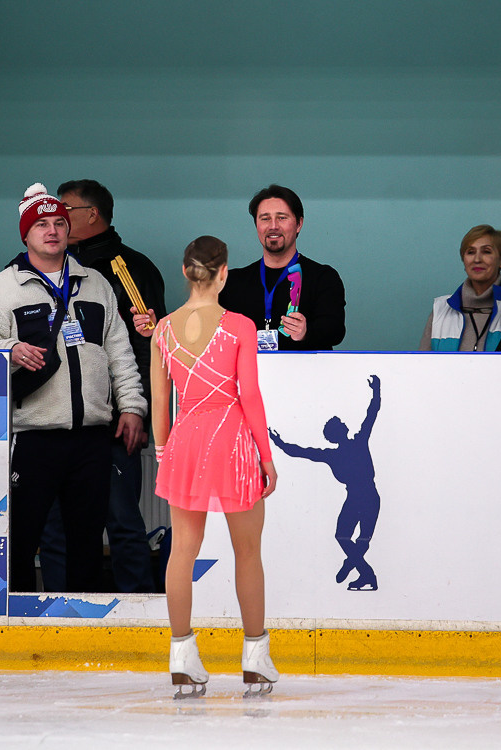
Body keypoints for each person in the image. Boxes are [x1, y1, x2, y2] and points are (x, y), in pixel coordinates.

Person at [0, 183, 146, 593]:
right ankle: (21, 626)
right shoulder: (1, 288)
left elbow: (120, 352)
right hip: (33, 437)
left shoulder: (97, 284)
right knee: (23, 540)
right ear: (25, 235)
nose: (52, 231)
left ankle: (82, 628)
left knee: (86, 542)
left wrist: (133, 406)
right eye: (41, 224)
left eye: (60, 223)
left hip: (92, 438)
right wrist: (10, 349)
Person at [151, 235, 278, 697]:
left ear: (186, 272)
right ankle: (255, 657)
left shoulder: (163, 329)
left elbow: (160, 402)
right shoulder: (240, 326)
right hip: (233, 443)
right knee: (248, 552)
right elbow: (250, 395)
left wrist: (164, 454)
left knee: (181, 550)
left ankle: (182, 655)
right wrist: (265, 456)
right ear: (223, 273)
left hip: (184, 441)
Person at [37, 180, 166, 594]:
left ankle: (139, 614)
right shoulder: (44, 266)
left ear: (91, 214)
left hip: (110, 423)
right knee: (55, 527)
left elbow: (146, 345)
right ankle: (60, 611)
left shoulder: (128, 268)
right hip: (54, 420)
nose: (56, 221)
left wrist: (137, 408)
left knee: (123, 523)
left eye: (66, 210)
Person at [270, 376, 382, 592]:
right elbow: (299, 452)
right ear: (338, 432)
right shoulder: (339, 451)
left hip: (368, 495)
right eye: (340, 424)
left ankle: (357, 566)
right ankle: (363, 570)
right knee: (344, 535)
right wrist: (279, 442)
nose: (344, 423)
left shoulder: (356, 442)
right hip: (357, 497)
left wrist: (376, 390)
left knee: (361, 538)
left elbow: (372, 414)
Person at [219, 184, 346, 351]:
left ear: (299, 224)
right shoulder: (232, 282)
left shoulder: (323, 277)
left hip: (305, 375)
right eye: (265, 218)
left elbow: (335, 331)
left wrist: (306, 332)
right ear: (256, 225)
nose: (273, 226)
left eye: (282, 217)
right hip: (249, 375)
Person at [419, 225, 501, 351]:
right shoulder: (440, 309)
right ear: (463, 260)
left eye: (486, 251)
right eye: (470, 252)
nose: (477, 259)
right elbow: (423, 367)